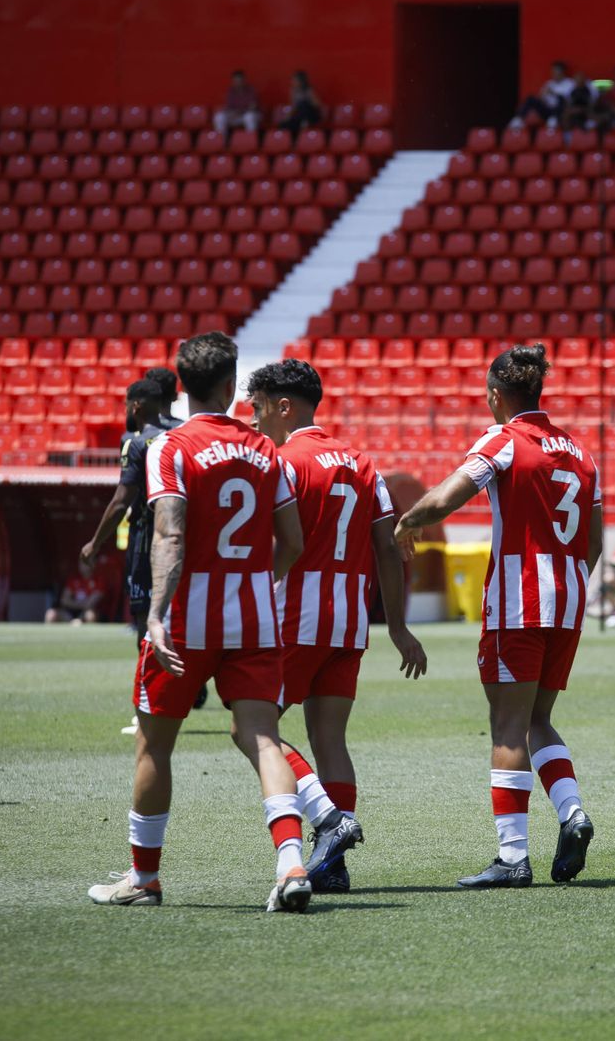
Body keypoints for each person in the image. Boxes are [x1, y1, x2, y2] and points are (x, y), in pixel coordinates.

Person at [87, 333, 309, 911]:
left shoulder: (171, 446)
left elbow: (171, 533)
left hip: (188, 618)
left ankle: (143, 878)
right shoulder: (267, 451)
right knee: (264, 741)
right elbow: (293, 541)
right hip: (255, 617)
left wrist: (156, 615)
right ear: (234, 384)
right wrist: (260, 582)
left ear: (180, 386)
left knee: (153, 745)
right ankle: (291, 866)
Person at [393, 345, 600, 889]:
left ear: (495, 395)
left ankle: (513, 857)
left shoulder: (504, 439)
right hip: (569, 601)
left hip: (519, 601)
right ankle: (572, 811)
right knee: (537, 719)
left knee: (508, 725)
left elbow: (444, 501)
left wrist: (407, 522)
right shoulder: (580, 451)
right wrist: (566, 583)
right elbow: (594, 542)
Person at [245, 358, 428, 893]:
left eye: (257, 409)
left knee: (254, 728)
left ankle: (328, 820)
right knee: (330, 740)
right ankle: (335, 866)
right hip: (350, 623)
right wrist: (397, 626)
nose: (253, 422)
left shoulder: (282, 463)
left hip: (292, 618)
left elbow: (273, 544)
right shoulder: (361, 463)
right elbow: (390, 549)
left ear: (285, 406)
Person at [82, 376, 188, 734]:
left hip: (147, 540)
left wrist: (95, 544)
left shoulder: (138, 442)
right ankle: (186, 688)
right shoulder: (184, 434)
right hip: (185, 538)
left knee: (146, 621)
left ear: (137, 405)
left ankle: (148, 707)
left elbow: (120, 501)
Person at [511, 61, 576, 128]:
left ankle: (554, 119)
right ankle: (518, 119)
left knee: (560, 99)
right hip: (547, 110)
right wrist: (542, 97)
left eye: (557, 71)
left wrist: (553, 93)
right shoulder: (549, 83)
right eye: (553, 72)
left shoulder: (570, 83)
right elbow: (540, 98)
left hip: (561, 112)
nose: (554, 74)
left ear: (562, 72)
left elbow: (569, 100)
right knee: (531, 98)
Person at [46, 558, 106, 624]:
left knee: (90, 615)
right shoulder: (73, 579)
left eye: (86, 563)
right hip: (70, 612)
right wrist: (73, 619)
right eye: (81, 563)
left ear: (93, 564)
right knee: (50, 614)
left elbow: (89, 604)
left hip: (86, 612)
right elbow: (64, 600)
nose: (83, 565)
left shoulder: (99, 581)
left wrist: (73, 604)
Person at [214, 69, 261, 137]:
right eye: (236, 81)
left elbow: (252, 107)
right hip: (236, 116)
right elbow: (229, 107)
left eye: (240, 80)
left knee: (249, 117)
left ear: (244, 80)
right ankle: (221, 141)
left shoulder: (251, 91)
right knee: (219, 117)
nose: (238, 82)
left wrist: (239, 111)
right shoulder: (231, 92)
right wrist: (230, 113)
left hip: (250, 115)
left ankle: (250, 140)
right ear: (233, 81)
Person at [280, 70, 324, 135]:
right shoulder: (293, 91)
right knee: (283, 125)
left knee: (303, 104)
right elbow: (294, 106)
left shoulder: (308, 90)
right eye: (292, 80)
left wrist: (308, 101)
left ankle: (305, 122)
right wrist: (287, 117)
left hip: (311, 115)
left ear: (301, 81)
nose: (292, 82)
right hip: (299, 115)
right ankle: (292, 141)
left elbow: (317, 104)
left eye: (295, 80)